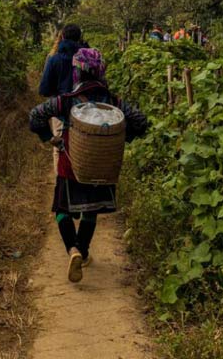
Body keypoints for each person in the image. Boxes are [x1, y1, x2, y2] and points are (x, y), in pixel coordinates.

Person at [29, 48, 147, 283]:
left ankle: (72, 250)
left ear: (77, 73)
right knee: (90, 211)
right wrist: (119, 139)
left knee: (62, 210)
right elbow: (140, 122)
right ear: (100, 72)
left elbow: (35, 116)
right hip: (101, 165)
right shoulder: (113, 102)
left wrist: (50, 138)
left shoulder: (66, 101)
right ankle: (82, 251)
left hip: (71, 163)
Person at [38, 23, 87, 97]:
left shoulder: (54, 59)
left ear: (63, 37)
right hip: (83, 102)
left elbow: (44, 90)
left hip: (61, 100)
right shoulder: (88, 58)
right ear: (79, 38)